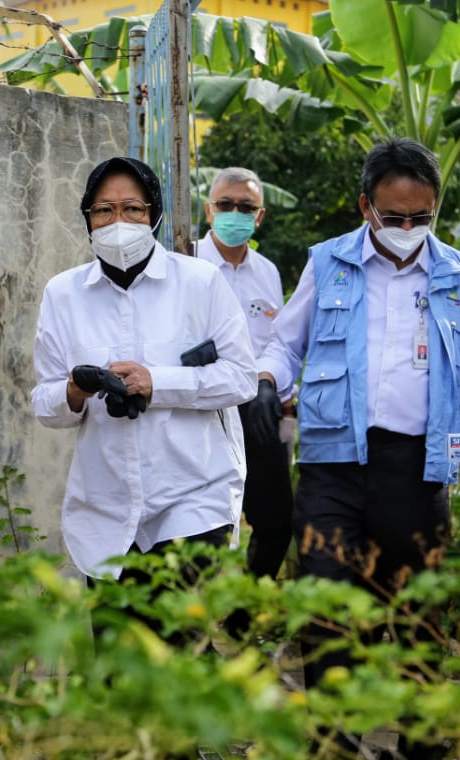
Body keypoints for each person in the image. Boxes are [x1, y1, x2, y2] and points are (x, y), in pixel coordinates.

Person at [253, 138, 460, 760]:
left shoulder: (459, 273)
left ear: (434, 210)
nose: (406, 230)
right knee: (323, 596)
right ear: (366, 205)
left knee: (421, 606)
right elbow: (288, 343)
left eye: (419, 218)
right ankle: (334, 749)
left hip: (416, 464)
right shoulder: (330, 263)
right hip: (334, 462)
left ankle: (425, 750)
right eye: (393, 216)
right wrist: (265, 380)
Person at [31, 156, 256, 760]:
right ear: (87, 219)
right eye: (104, 210)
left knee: (178, 647)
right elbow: (45, 399)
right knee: (122, 656)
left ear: (154, 216)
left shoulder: (200, 282)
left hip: (192, 490)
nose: (118, 222)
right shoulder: (65, 295)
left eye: (132, 209)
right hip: (108, 501)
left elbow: (240, 376)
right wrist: (76, 389)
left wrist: (155, 380)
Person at [195, 167, 294, 631]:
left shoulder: (267, 272)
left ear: (260, 217)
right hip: (200, 410)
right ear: (209, 209)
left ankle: (240, 616)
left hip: (254, 408)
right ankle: (195, 626)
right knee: (206, 523)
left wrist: (268, 385)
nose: (235, 213)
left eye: (246, 208)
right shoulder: (186, 261)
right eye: (226, 205)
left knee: (276, 520)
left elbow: (278, 341)